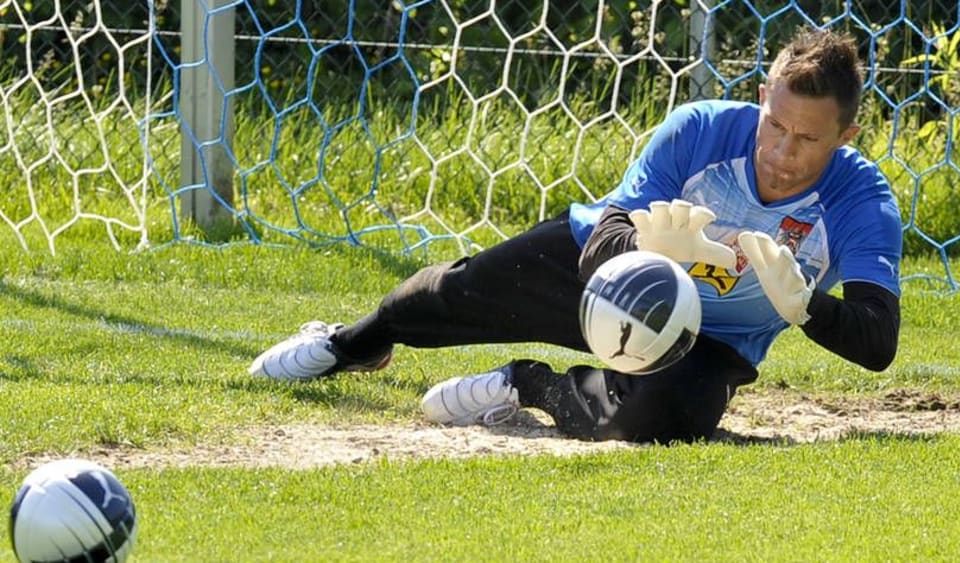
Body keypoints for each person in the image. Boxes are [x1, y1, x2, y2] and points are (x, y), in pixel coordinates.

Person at [248, 27, 902, 444]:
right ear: (762, 96)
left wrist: (803, 305)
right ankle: (350, 343)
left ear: (846, 138)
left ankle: (525, 384)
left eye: (808, 138)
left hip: (712, 341)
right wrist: (650, 248)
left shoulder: (862, 198)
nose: (782, 151)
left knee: (665, 421)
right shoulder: (698, 129)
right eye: (774, 125)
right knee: (458, 290)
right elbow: (602, 243)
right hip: (609, 285)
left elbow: (878, 342)